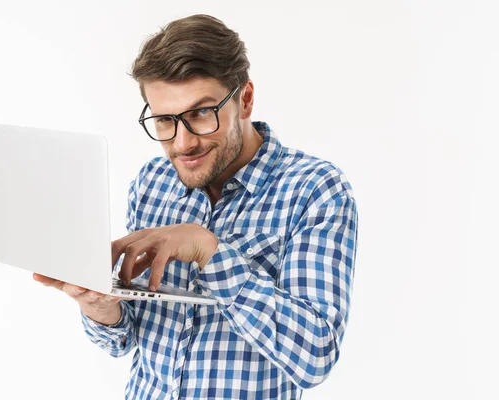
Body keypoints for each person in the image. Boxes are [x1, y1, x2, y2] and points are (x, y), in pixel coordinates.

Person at [33, 14, 359, 399]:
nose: (182, 143)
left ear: (245, 99)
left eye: (200, 113)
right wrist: (100, 308)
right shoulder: (152, 182)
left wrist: (210, 251)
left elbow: (315, 355)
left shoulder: (315, 190)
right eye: (164, 120)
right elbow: (126, 340)